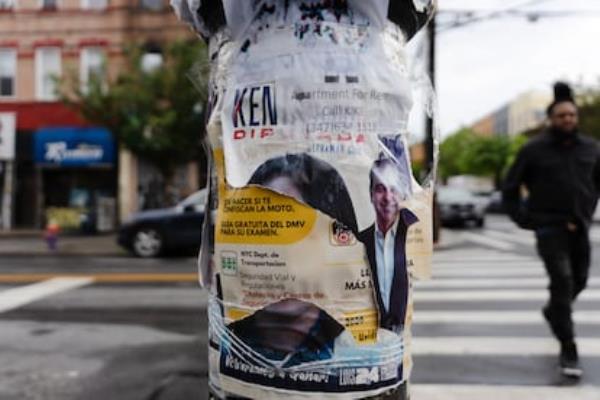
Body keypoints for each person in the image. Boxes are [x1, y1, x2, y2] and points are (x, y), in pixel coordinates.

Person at [503, 82, 600, 378]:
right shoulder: (533, 150)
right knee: (563, 282)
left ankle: (554, 311)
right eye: (561, 115)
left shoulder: (592, 148)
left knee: (579, 281)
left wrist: (588, 207)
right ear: (551, 119)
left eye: (571, 115)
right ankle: (568, 349)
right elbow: (510, 188)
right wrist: (526, 219)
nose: (567, 119)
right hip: (549, 228)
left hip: (580, 226)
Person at [358, 157, 418, 334]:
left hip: (401, 337)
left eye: (394, 189)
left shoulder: (414, 232)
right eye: (380, 189)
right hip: (369, 336)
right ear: (370, 194)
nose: (388, 197)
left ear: (402, 194)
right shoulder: (358, 241)